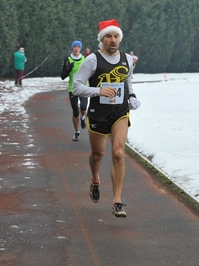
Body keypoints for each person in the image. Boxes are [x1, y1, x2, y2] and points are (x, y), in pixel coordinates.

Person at [73, 19, 141, 218]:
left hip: (119, 112)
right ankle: (95, 179)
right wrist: (99, 91)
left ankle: (117, 201)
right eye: (109, 36)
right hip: (98, 113)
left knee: (118, 152)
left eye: (116, 36)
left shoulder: (127, 59)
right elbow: (77, 87)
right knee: (98, 155)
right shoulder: (92, 60)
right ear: (101, 39)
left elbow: (127, 81)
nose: (113, 40)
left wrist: (132, 96)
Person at [61, 40, 88, 141]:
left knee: (84, 107)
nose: (76, 48)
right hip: (72, 88)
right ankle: (76, 131)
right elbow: (62, 76)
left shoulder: (85, 59)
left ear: (80, 48)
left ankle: (83, 117)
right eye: (74, 46)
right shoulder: (67, 60)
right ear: (72, 48)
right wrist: (68, 69)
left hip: (83, 87)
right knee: (75, 112)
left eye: (78, 47)